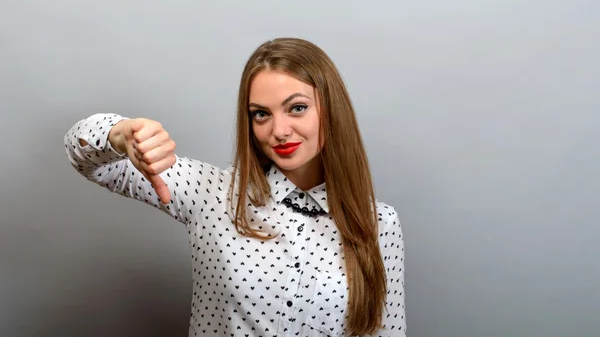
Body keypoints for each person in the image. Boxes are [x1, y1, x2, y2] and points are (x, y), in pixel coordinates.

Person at [64, 37, 405, 336]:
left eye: (297, 108)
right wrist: (121, 134)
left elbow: (385, 332)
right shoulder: (210, 193)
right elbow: (84, 157)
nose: (280, 130)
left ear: (332, 110)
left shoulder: (379, 223)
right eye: (261, 114)